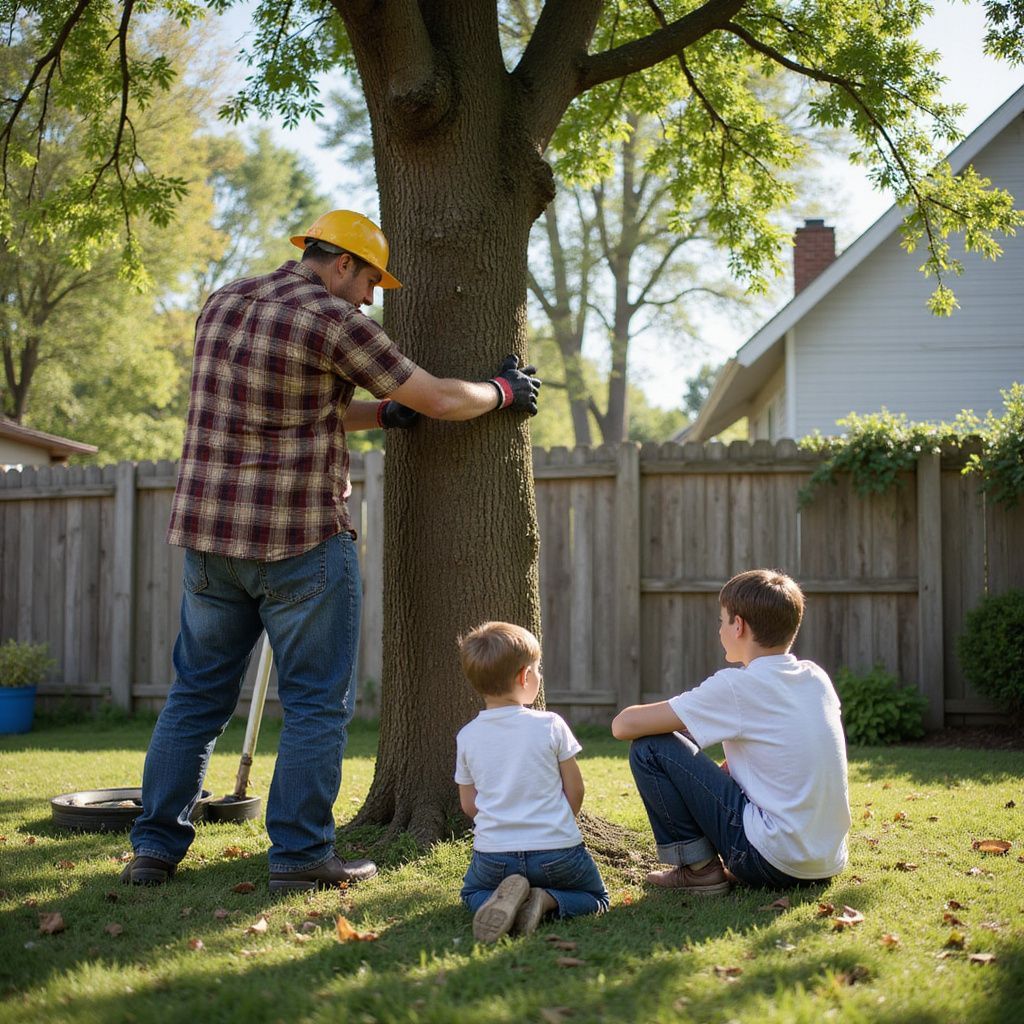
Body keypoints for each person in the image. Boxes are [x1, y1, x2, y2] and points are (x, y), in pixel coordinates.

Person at [121, 211, 542, 891]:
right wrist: (501, 392)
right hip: (298, 544)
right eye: (371, 279)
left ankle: (153, 850)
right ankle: (299, 857)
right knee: (316, 704)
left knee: (195, 697)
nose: (372, 297)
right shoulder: (333, 320)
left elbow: (281, 401)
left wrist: (380, 412)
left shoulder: (223, 303)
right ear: (342, 263)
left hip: (210, 542)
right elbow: (436, 396)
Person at [611, 569, 850, 895]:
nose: (720, 629)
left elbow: (623, 725)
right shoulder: (815, 678)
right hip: (824, 862)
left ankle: (698, 870)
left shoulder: (738, 686)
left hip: (770, 860)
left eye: (722, 621)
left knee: (650, 747)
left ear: (739, 626)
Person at [454, 621, 609, 942]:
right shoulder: (551, 724)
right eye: (537, 670)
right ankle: (546, 900)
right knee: (596, 899)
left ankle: (499, 900)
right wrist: (561, 822)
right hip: (557, 849)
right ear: (524, 677)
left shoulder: (467, 736)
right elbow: (575, 789)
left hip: (494, 856)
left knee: (472, 893)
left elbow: (468, 804)